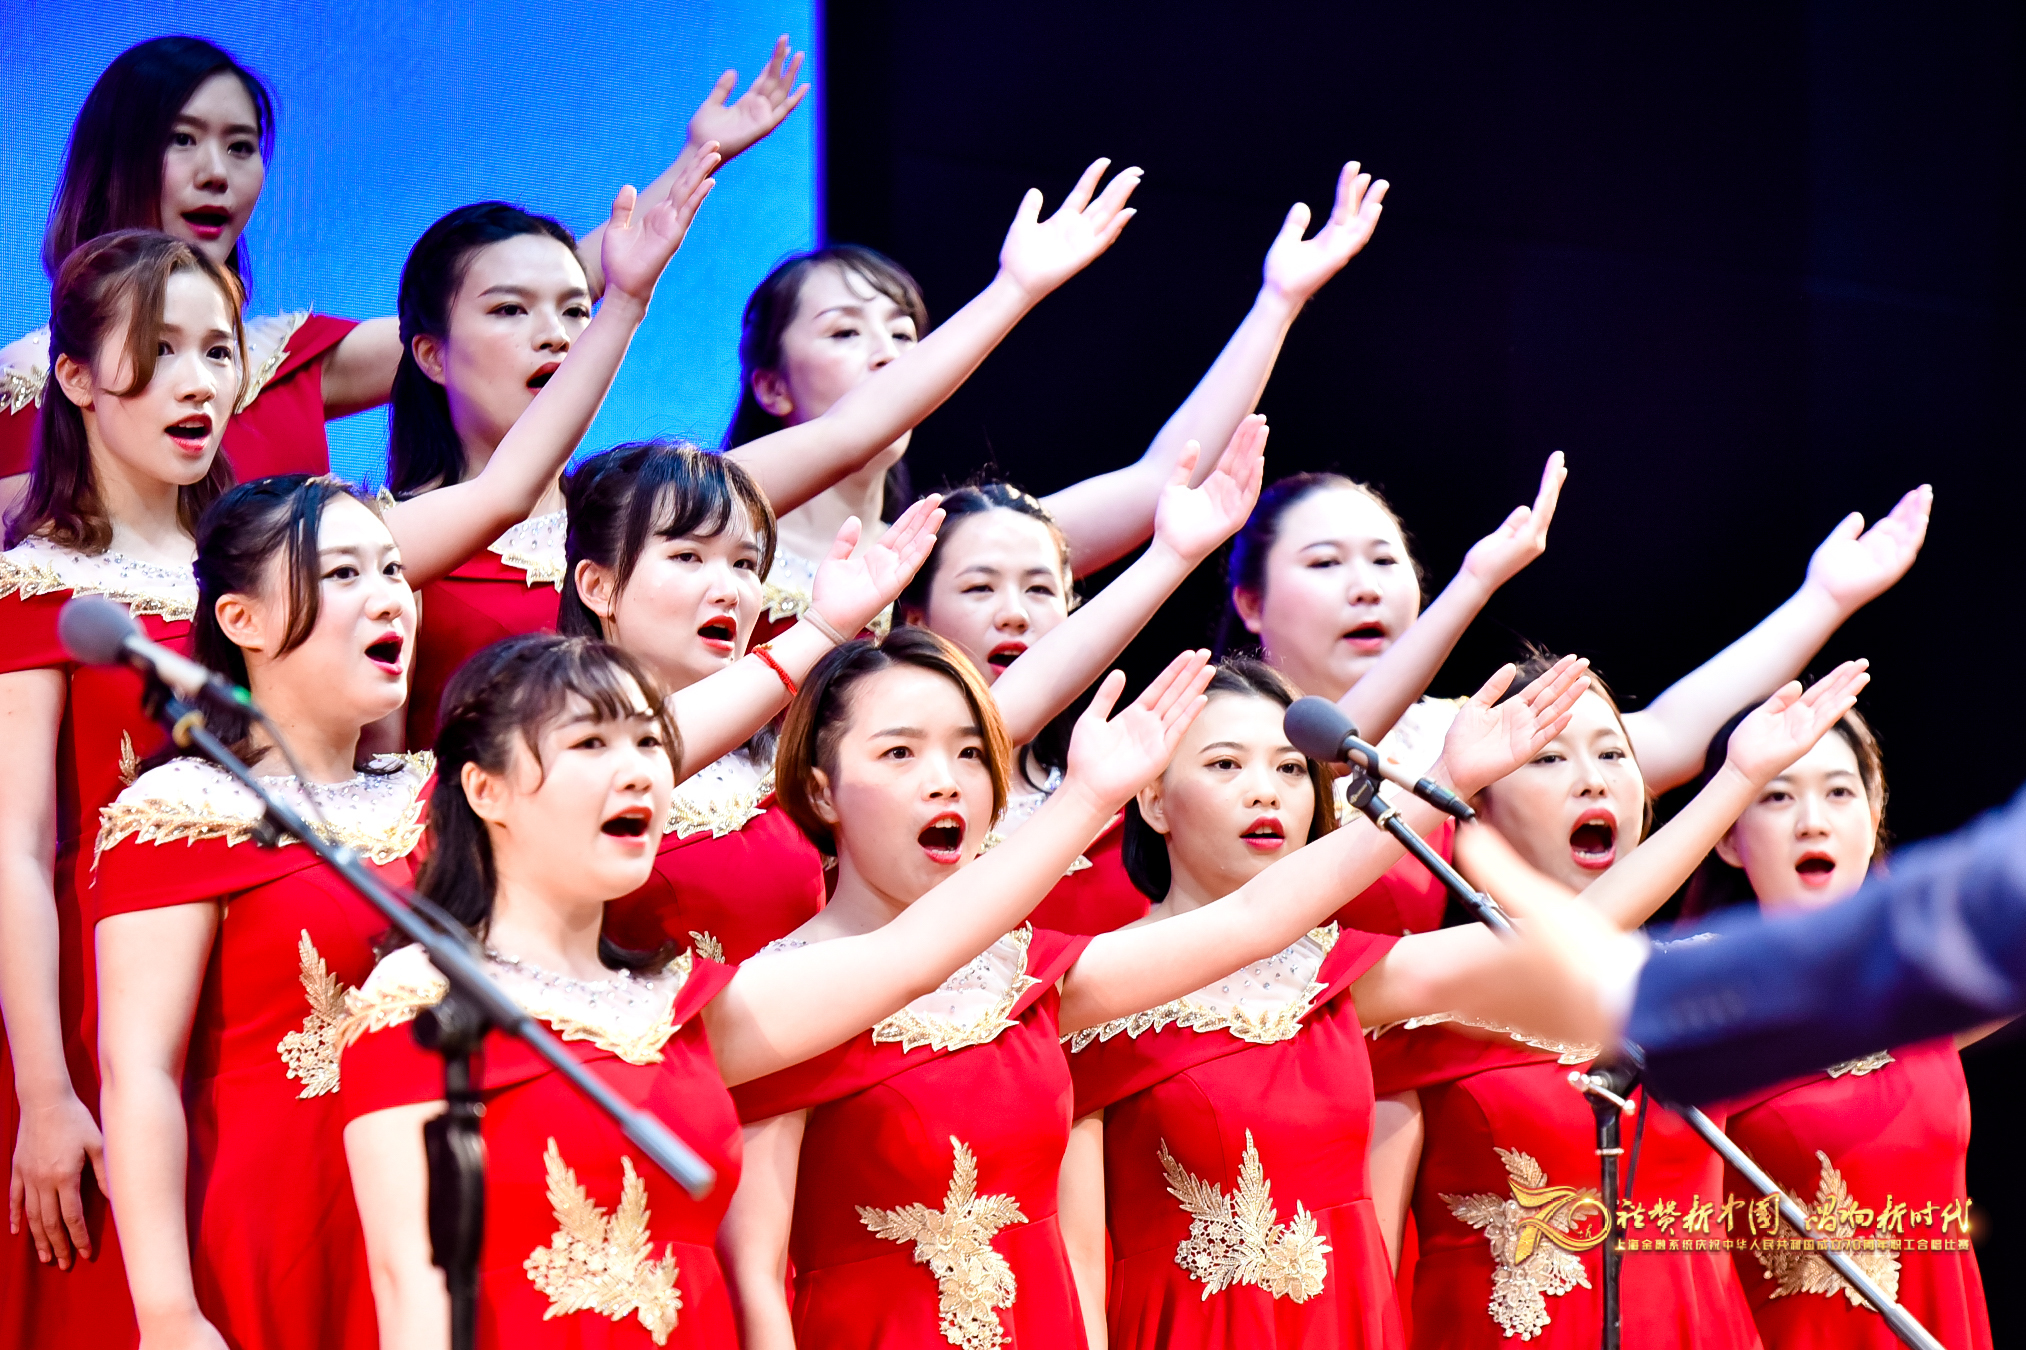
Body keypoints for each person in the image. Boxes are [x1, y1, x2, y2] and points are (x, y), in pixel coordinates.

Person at [0, 176, 688, 1344]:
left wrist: (622, 298)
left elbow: (504, 487)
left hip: (293, 970)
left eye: (219, 352)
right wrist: (45, 1089)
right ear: (74, 377)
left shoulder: (304, 552)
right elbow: (16, 848)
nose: (198, 381)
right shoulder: (41, 585)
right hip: (98, 999)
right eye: (160, 353)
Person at [338, 635, 1218, 1348]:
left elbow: (915, 953)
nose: (639, 771)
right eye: (591, 744)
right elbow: (411, 1290)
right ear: (484, 789)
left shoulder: (684, 1006)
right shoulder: (418, 999)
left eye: (649, 743)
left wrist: (1087, 796)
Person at [716, 633, 1590, 1350]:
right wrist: (1088, 797)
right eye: (901, 752)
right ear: (822, 789)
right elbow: (754, 1277)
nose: (946, 779)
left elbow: (1257, 919)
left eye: (972, 753)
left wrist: (1445, 783)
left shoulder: (1033, 980)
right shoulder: (780, 996)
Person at [402, 155, 1145, 747]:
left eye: (576, 310)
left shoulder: (640, 503)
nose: (555, 336)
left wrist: (1012, 291)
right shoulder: (383, 541)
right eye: (510, 309)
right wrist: (622, 302)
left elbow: (854, 429)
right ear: (430, 353)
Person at [0, 33, 812, 499]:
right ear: (117, 154)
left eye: (241, 147)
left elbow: (525, 291)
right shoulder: (36, 378)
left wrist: (699, 159)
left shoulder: (288, 359)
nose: (217, 173)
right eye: (184, 140)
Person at [1373, 659, 1867, 1348]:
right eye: (1548, 758)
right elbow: (1372, 1275)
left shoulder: (1705, 982)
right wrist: (1736, 780)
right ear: (1476, 806)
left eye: (1612, 753)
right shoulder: (1423, 1001)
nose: (1593, 779)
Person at [731, 162, 1389, 633]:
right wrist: (1012, 290)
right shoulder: (714, 523)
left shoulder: (939, 554)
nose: (888, 355)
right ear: (770, 384)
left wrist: (1277, 304)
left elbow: (1161, 479)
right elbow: (853, 429)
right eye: (844, 332)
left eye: (905, 335)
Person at [1675, 709, 1992, 1349]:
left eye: (1839, 792)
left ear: (1873, 817)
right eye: (1778, 796)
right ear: (1727, 838)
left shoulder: (1924, 974)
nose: (1812, 821)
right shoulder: (1694, 1005)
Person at [559, 440, 944, 962]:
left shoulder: (790, 753)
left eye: (745, 563)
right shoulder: (551, 745)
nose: (730, 591)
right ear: (598, 586)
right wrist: (822, 628)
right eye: (688, 556)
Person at [895, 415, 1270, 933]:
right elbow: (1000, 720)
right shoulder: (891, 779)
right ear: (916, 617)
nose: (1014, 615)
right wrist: (1168, 557)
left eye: (1040, 589)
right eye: (980, 588)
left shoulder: (1126, 791)